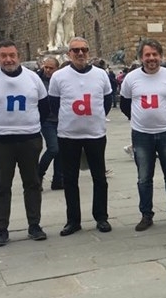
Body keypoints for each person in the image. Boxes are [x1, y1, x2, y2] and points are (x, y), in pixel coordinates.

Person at [0, 41, 49, 247]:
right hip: (1, 141)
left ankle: (34, 225)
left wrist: (31, 125)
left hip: (29, 139)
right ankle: (1, 229)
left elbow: (44, 106)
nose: (8, 59)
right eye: (4, 56)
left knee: (32, 183)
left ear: (19, 56)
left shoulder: (33, 78)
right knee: (2, 185)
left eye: (12, 55)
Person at [120, 39, 166, 232]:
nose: (151, 58)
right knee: (143, 177)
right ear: (141, 57)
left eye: (155, 55)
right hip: (142, 135)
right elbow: (125, 104)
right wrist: (137, 119)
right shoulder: (131, 79)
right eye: (147, 55)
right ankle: (146, 215)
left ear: (161, 56)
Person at [49, 37, 113, 236]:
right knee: (70, 179)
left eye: (84, 49)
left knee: (99, 177)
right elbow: (54, 104)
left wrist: (96, 119)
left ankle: (101, 217)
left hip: (95, 134)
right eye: (75, 50)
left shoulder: (101, 75)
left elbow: (107, 101)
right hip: (69, 135)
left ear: (89, 51)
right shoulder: (59, 77)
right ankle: (73, 220)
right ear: (69, 54)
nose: (80, 54)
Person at [36, 57, 62, 190]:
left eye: (51, 68)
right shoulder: (37, 80)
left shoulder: (60, 80)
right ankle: (38, 175)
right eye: (45, 67)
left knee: (61, 150)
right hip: (47, 120)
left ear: (57, 69)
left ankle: (58, 179)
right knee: (54, 148)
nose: (47, 70)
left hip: (61, 120)